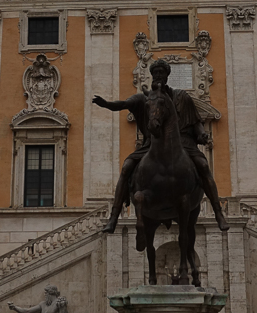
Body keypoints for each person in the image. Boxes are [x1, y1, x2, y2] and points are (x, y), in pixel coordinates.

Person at [92, 58, 228, 234]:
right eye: (155, 73)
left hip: (184, 144)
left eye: (161, 73)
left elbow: (196, 121)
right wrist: (107, 104)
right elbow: (125, 104)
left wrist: (201, 133)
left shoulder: (182, 97)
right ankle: (113, 217)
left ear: (167, 76)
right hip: (151, 144)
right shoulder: (145, 98)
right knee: (126, 168)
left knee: (203, 166)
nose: (158, 76)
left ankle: (218, 213)